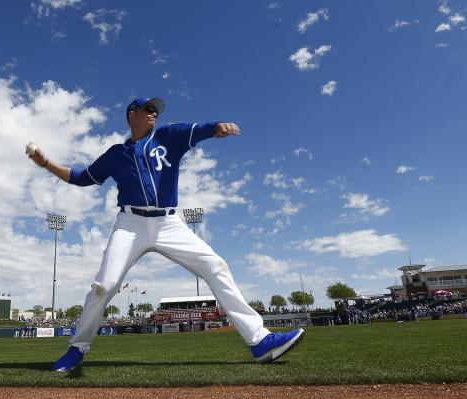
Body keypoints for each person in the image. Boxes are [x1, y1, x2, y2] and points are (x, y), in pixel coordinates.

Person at [27, 96, 304, 372]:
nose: (153, 114)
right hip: (130, 224)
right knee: (104, 286)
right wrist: (46, 163)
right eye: (147, 109)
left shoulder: (167, 136)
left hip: (168, 224)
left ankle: (260, 340)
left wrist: (216, 127)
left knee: (215, 265)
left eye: (155, 111)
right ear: (130, 114)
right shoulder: (115, 154)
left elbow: (196, 130)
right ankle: (77, 349)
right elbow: (81, 177)